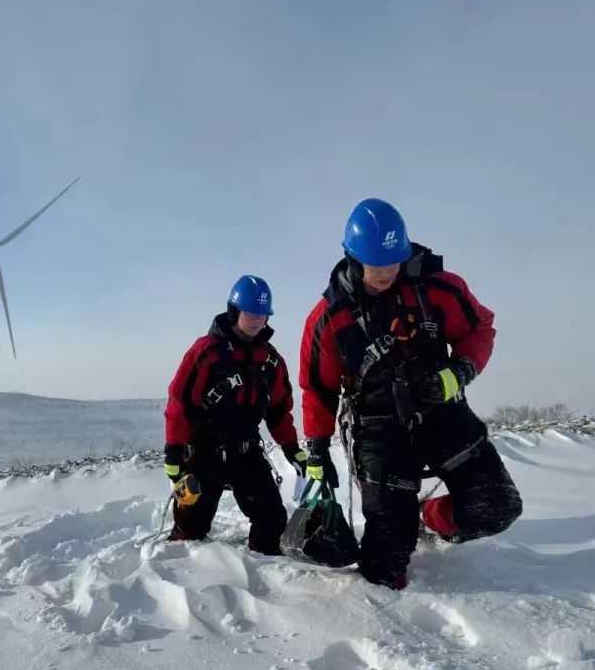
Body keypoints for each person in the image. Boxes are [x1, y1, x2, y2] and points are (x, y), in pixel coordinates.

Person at [299, 199, 522, 589]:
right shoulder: (329, 317)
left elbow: (480, 328)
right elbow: (317, 388)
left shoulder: (437, 287)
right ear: (354, 259)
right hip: (379, 431)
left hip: (443, 414)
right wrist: (317, 450)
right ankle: (397, 538)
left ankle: (428, 518)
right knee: (385, 567)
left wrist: (458, 373)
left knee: (496, 507)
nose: (387, 272)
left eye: (394, 262)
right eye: (377, 265)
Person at [164, 275, 307, 554]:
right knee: (191, 527)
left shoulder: (271, 361)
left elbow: (279, 411)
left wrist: (292, 449)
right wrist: (174, 453)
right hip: (204, 453)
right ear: (234, 312)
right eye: (250, 314)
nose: (256, 321)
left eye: (262, 316)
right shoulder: (205, 353)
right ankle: (179, 565)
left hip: (246, 453)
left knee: (272, 521)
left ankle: (264, 569)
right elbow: (179, 404)